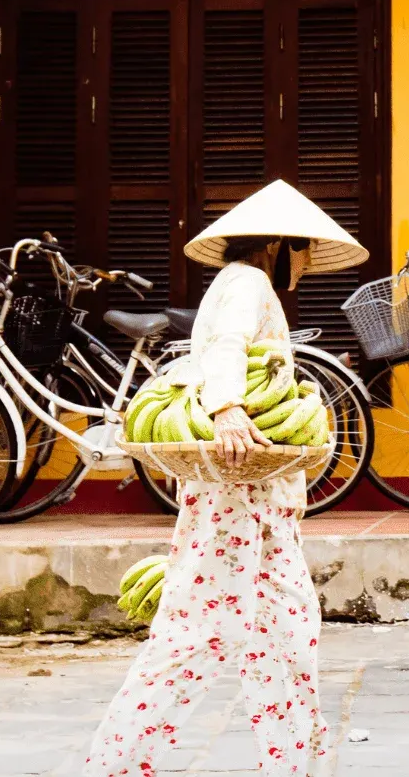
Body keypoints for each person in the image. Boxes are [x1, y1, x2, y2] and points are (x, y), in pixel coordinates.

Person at [83, 180, 367, 777]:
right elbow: (226, 348)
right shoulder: (248, 283)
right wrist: (228, 408)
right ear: (278, 245)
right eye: (304, 248)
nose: (308, 261)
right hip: (238, 498)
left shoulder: (240, 283)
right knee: (194, 636)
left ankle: (293, 762)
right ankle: (114, 765)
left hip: (257, 501)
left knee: (287, 631)